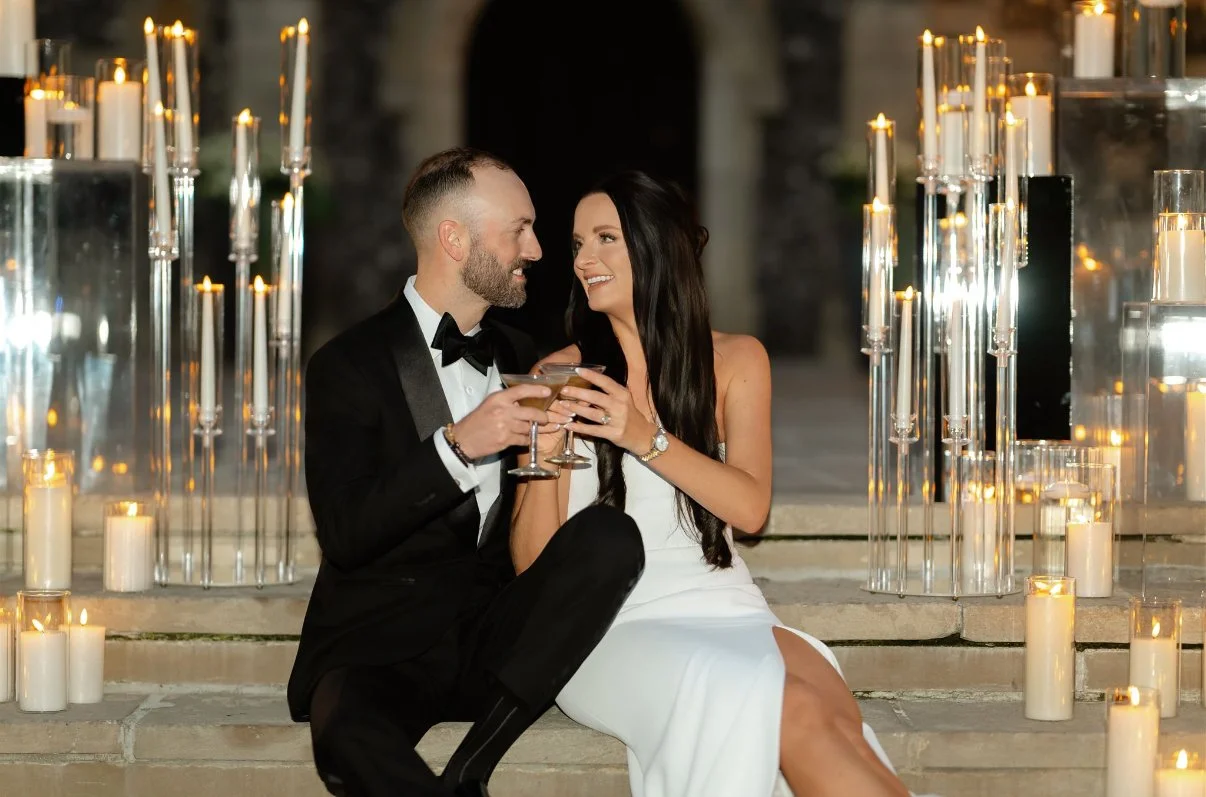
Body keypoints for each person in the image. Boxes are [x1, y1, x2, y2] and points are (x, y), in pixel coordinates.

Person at [511, 172, 912, 797]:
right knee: (785, 710)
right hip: (611, 625)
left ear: (657, 247)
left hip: (726, 604)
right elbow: (532, 565)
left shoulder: (737, 360)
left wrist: (643, 434)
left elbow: (750, 510)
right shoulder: (560, 376)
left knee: (823, 712)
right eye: (578, 243)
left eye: (606, 238)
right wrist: (553, 445)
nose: (585, 258)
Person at [288, 148, 645, 797]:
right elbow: (344, 532)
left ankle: (471, 766)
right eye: (519, 229)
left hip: (494, 644)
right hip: (381, 644)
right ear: (454, 238)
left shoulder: (525, 357)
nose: (536, 249)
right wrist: (455, 447)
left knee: (610, 537)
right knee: (346, 734)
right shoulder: (347, 364)